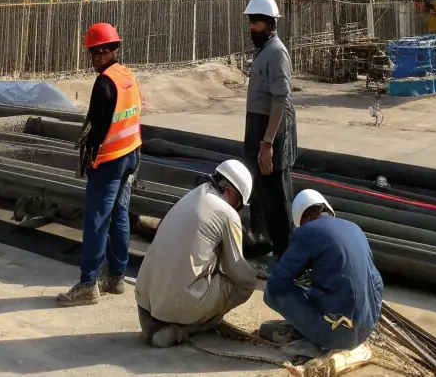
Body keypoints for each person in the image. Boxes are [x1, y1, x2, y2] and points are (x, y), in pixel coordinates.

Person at [56, 21, 142, 306]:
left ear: (106, 51)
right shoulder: (127, 75)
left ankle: (87, 283)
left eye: (94, 53)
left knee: (96, 220)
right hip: (131, 155)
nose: (92, 59)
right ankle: (116, 278)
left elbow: (97, 126)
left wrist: (90, 157)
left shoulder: (105, 82)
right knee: (119, 216)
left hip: (109, 160)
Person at [135, 159, 264, 348]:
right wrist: (260, 276)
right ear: (231, 193)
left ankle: (174, 321)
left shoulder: (193, 194)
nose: (238, 208)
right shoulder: (227, 214)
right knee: (243, 285)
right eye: (239, 203)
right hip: (174, 307)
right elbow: (236, 269)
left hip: (144, 303)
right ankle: (191, 327)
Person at [262, 189, 383, 358]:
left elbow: (277, 284)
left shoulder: (307, 231)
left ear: (303, 220)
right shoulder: (355, 228)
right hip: (366, 329)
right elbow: (377, 283)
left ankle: (319, 334)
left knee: (271, 293)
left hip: (336, 335)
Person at [243, 0, 297, 257]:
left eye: (256, 22)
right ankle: (265, 243)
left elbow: (280, 100)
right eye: (251, 22)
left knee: (278, 197)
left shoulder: (277, 52)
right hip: (259, 129)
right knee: (261, 194)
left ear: (270, 23)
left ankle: (286, 255)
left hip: (272, 134)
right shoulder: (264, 51)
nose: (251, 27)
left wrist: (267, 143)